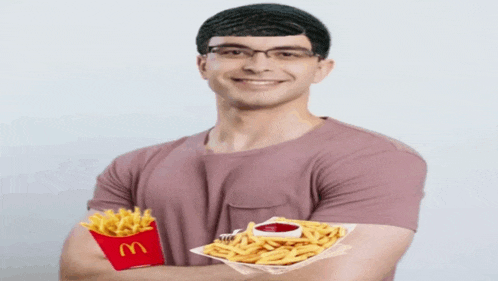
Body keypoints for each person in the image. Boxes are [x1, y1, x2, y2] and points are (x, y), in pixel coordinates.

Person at [59, 3, 427, 281]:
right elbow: (86, 271)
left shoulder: (372, 160)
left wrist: (142, 274)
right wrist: (270, 272)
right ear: (204, 65)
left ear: (321, 69)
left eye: (286, 53)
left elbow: (333, 276)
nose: (258, 66)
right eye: (235, 51)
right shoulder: (135, 167)